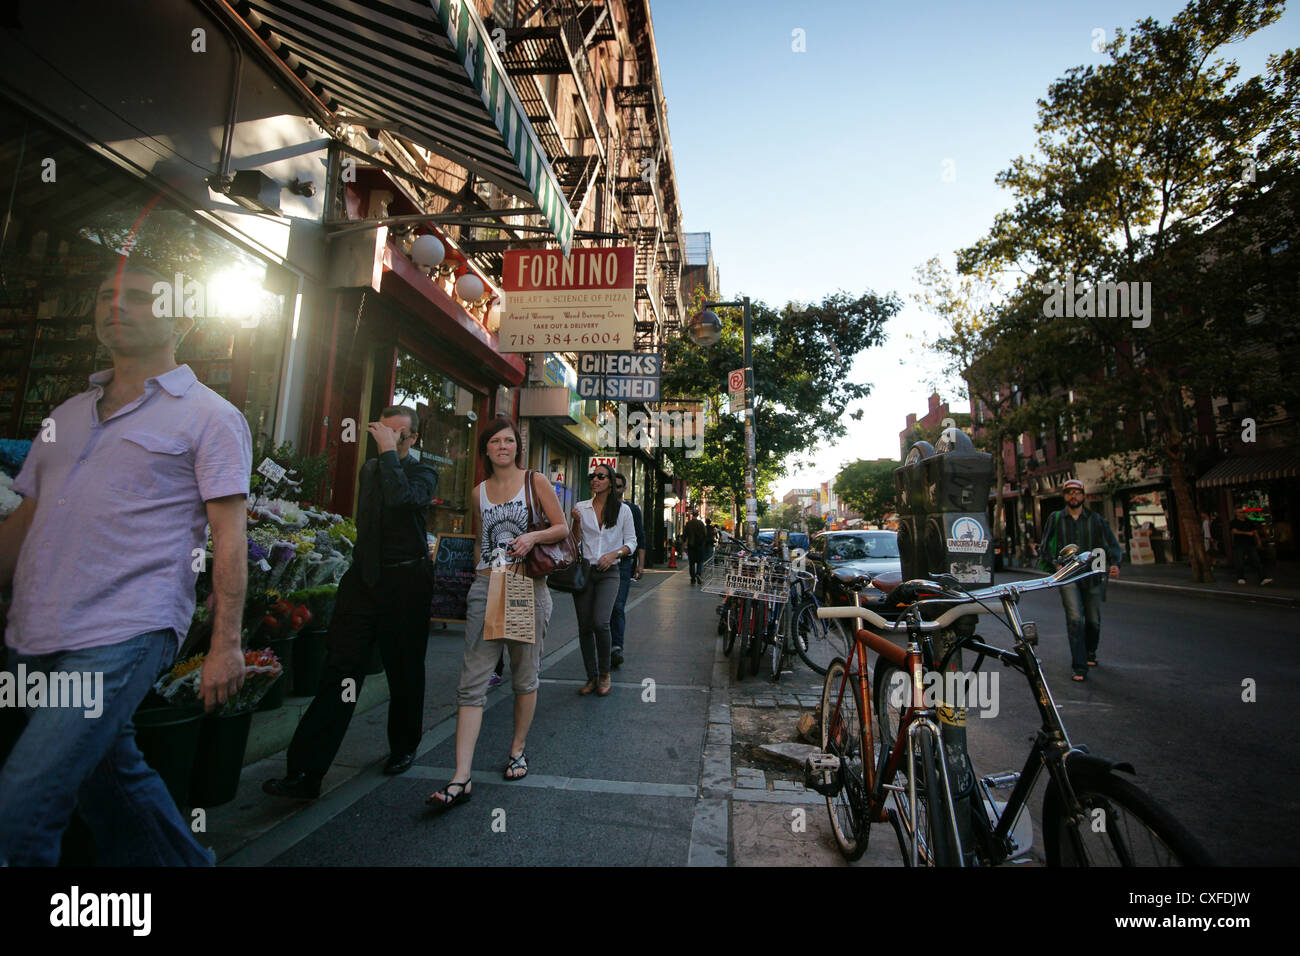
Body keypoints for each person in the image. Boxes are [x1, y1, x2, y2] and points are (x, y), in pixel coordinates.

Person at [0, 262, 251, 866]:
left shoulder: (209, 416)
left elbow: (231, 536)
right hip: (34, 631)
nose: (115, 305)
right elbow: (24, 524)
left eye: (138, 297)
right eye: (105, 295)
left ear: (181, 320)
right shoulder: (63, 415)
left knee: (21, 804)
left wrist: (227, 643)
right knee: (110, 783)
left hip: (125, 628)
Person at [264, 405, 437, 799]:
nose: (386, 441)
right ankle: (306, 772)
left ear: (412, 440)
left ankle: (404, 745)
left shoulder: (423, 473)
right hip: (365, 581)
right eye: (383, 433)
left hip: (407, 583)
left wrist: (389, 453)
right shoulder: (370, 470)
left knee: (405, 670)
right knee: (340, 671)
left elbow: (400, 500)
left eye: (396, 436)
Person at [426, 418, 567, 810]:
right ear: (485, 449)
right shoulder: (478, 493)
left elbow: (561, 528)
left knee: (524, 675)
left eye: (509, 440)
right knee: (472, 681)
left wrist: (531, 537)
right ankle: (460, 777)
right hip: (488, 585)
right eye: (495, 441)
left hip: (524, 586)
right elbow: (479, 544)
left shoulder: (534, 481)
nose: (503, 446)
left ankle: (517, 751)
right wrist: (476, 582)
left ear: (517, 447)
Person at [1038, 479, 1122, 682]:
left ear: (1083, 496)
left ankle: (1090, 652)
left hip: (1092, 574)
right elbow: (1045, 546)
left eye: (1077, 492)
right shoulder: (1056, 518)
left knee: (1092, 620)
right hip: (1068, 576)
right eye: (1069, 493)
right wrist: (1054, 564)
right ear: (1064, 496)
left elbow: (1110, 543)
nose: (1073, 496)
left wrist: (1115, 563)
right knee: (1075, 619)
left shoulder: (1096, 519)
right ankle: (1079, 666)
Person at [570, 462, 636, 696]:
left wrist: (614, 554)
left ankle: (605, 673)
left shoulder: (623, 510)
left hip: (610, 572)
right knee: (585, 626)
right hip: (585, 572)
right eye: (593, 476)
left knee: (601, 622)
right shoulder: (581, 508)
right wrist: (576, 523)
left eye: (601, 476)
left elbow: (632, 543)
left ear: (610, 482)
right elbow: (574, 543)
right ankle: (591, 676)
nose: (595, 480)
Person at [608, 472, 645, 670]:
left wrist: (640, 565)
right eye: (613, 485)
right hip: (601, 564)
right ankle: (604, 645)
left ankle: (616, 647)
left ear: (624, 489)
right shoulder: (599, 507)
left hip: (623, 564)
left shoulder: (631, 509)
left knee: (617, 605)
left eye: (619, 486)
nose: (616, 490)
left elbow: (640, 536)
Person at [1230, 507, 1271, 586]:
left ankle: (1263, 578)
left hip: (1250, 543)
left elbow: (1255, 531)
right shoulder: (1234, 522)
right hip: (1239, 544)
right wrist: (1247, 533)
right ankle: (1241, 577)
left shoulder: (1249, 521)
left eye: (1243, 512)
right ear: (1236, 514)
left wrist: (1258, 540)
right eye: (1240, 512)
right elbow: (1234, 531)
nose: (1242, 514)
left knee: (1256, 560)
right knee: (1240, 561)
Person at [684, 510, 708, 584]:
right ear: (698, 515)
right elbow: (705, 533)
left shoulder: (688, 523)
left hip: (691, 545)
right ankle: (698, 574)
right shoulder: (701, 523)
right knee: (700, 562)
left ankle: (693, 578)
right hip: (700, 546)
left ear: (692, 515)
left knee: (691, 563)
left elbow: (685, 534)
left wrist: (684, 543)